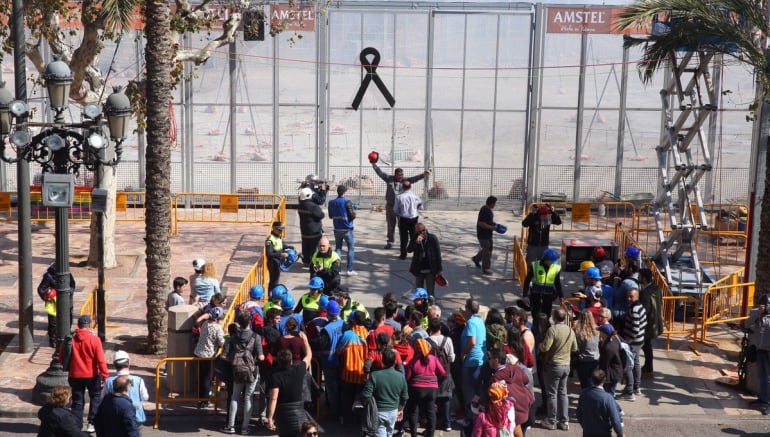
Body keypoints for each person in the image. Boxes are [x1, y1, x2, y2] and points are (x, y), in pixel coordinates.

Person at [61, 315, 109, 433]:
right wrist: (105, 374)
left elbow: (62, 357)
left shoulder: (70, 339)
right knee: (95, 397)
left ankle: (77, 425)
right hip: (92, 375)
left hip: (75, 375)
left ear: (78, 325)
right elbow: (100, 359)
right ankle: (92, 422)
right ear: (90, 325)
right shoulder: (94, 339)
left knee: (77, 401)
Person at [371, 161, 430, 250]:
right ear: (395, 175)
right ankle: (390, 242)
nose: (400, 177)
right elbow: (380, 173)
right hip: (390, 207)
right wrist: (374, 164)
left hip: (401, 208)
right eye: (399, 175)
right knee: (391, 225)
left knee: (402, 226)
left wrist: (423, 174)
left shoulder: (405, 180)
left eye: (401, 175)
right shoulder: (389, 179)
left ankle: (404, 244)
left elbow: (414, 179)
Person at [222, 311, 265, 435]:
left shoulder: (233, 337)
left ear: (238, 323)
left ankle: (231, 426)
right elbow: (261, 357)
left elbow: (224, 355)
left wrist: (235, 359)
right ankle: (245, 428)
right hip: (252, 371)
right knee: (248, 397)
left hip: (236, 371)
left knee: (235, 397)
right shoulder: (255, 337)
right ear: (249, 322)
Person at [539, 308, 577, 431]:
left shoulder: (552, 330)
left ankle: (552, 420)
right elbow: (575, 348)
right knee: (563, 393)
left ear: (554, 317)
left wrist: (540, 344)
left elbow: (545, 348)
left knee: (552, 394)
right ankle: (564, 421)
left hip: (554, 366)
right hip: (566, 365)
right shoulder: (570, 330)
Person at [361, 348, 409, 437]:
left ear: (382, 361)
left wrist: (369, 405)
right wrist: (401, 409)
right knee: (389, 433)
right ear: (395, 361)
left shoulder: (375, 375)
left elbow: (366, 395)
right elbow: (405, 396)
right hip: (393, 412)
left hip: (379, 412)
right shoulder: (400, 377)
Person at [266, 348, 313, 436]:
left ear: (278, 361)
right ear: (291, 360)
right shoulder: (299, 369)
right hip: (298, 411)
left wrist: (270, 417)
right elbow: (309, 355)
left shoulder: (275, 376)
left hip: (282, 413)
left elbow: (273, 398)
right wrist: (305, 339)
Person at [405, 338, 445, 437]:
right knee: (430, 412)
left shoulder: (414, 361)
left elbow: (408, 377)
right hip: (431, 390)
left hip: (416, 389)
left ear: (416, 349)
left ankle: (414, 434)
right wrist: (435, 381)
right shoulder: (433, 359)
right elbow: (443, 373)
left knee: (414, 411)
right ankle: (430, 434)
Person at [337, 310, 369, 425]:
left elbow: (339, 351)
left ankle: (347, 420)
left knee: (347, 398)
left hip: (348, 374)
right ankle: (359, 421)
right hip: (362, 375)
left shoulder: (347, 335)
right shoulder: (368, 334)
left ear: (354, 321)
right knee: (360, 399)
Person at [102, 351, 149, 425]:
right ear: (129, 364)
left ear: (114, 364)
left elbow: (103, 398)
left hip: (115, 416)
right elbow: (145, 397)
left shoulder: (108, 381)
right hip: (136, 416)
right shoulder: (139, 380)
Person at [459, 298, 487, 426]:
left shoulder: (470, 322)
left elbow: (473, 341)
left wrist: (463, 353)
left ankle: (470, 419)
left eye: (465, 307)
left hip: (471, 361)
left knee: (469, 391)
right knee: (478, 390)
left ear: (469, 309)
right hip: (480, 360)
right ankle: (478, 418)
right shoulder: (480, 320)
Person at [37, 263, 76, 348]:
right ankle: (53, 341)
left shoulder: (67, 273)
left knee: (68, 319)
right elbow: (40, 289)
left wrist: (70, 292)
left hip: (66, 301)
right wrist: (46, 297)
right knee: (53, 323)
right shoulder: (48, 276)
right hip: (53, 304)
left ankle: (66, 337)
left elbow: (72, 284)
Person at [193, 306, 225, 408]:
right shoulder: (217, 328)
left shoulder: (205, 324)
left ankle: (200, 398)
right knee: (206, 379)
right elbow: (222, 342)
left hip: (198, 353)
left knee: (201, 377)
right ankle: (205, 401)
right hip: (208, 356)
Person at [576, 369, 624, 437]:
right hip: (604, 433)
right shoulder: (608, 398)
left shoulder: (584, 394)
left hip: (588, 432)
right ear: (604, 380)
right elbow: (615, 420)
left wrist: (585, 426)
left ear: (592, 379)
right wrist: (620, 434)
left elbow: (579, 414)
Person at [522, 248, 563, 327]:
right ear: (546, 260)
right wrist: (525, 295)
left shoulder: (555, 267)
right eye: (551, 261)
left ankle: (545, 332)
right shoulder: (535, 266)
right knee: (536, 315)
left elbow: (557, 283)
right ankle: (535, 332)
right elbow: (527, 281)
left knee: (547, 316)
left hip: (548, 296)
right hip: (535, 295)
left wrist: (561, 296)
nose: (553, 263)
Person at [618, 288, 646, 401]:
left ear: (637, 296)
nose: (629, 299)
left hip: (633, 341)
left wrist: (628, 340)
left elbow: (635, 328)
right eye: (628, 296)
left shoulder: (634, 309)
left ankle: (629, 391)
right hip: (640, 340)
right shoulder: (641, 307)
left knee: (628, 365)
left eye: (631, 296)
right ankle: (636, 387)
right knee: (636, 363)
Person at [638, 268, 663, 377]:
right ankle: (648, 367)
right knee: (647, 346)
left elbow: (645, 310)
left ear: (643, 278)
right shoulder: (657, 289)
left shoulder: (645, 293)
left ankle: (649, 369)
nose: (638, 278)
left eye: (639, 276)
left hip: (648, 324)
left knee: (646, 346)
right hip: (656, 322)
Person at [407, 222, 443, 298]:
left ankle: (431, 306)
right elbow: (409, 249)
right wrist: (416, 242)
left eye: (423, 230)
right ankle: (420, 307)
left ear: (425, 229)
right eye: (419, 232)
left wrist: (439, 269)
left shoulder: (432, 238)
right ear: (417, 231)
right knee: (419, 291)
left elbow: (438, 254)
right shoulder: (415, 238)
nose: (422, 233)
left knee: (430, 291)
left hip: (430, 269)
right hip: (419, 269)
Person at [328, 184, 358, 276]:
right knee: (351, 249)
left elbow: (330, 216)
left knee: (338, 249)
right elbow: (352, 216)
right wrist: (355, 212)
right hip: (347, 229)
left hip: (337, 229)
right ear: (344, 192)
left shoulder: (331, 202)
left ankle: (337, 269)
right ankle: (349, 270)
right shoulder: (347, 202)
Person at [750, 293, 770, 415]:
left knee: (769, 378)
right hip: (760, 350)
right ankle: (763, 398)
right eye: (762, 304)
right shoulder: (757, 315)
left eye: (766, 304)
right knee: (762, 376)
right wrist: (758, 314)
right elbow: (747, 324)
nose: (764, 307)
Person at [393, 180, 423, 260]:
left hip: (403, 218)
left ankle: (403, 254)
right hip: (414, 218)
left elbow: (395, 210)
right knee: (414, 236)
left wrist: (401, 212)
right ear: (410, 187)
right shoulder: (415, 196)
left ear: (403, 187)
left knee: (403, 237)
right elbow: (420, 207)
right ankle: (414, 252)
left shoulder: (399, 197)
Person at [298, 186, 326, 266]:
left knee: (305, 246)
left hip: (304, 230)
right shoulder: (312, 206)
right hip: (314, 231)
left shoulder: (300, 205)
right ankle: (313, 263)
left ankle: (306, 261)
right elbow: (321, 215)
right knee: (314, 248)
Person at [573, 310, 600, 390]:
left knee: (584, 383)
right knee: (593, 382)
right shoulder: (597, 330)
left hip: (583, 360)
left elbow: (577, 347)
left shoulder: (579, 332)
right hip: (595, 359)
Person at [472, 196, 498, 275]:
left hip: (488, 233)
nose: (495, 205)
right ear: (491, 203)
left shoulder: (489, 210)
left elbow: (488, 221)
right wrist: (491, 227)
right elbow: (481, 223)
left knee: (488, 248)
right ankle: (486, 268)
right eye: (494, 203)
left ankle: (476, 259)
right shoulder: (484, 210)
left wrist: (495, 225)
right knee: (487, 249)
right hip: (483, 234)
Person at [597, 323, 623, 396]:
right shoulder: (614, 340)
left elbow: (604, 363)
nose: (599, 333)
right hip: (616, 372)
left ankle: (612, 407)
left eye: (600, 332)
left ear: (604, 334)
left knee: (609, 395)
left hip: (611, 375)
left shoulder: (608, 347)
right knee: (610, 393)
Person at [266, 222, 289, 292]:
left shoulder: (278, 236)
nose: (280, 232)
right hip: (273, 263)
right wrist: (281, 254)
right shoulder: (270, 239)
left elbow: (283, 246)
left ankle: (274, 295)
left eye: (281, 230)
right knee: (273, 281)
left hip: (278, 262)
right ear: (273, 228)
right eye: (279, 230)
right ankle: (271, 297)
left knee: (276, 280)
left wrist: (292, 248)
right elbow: (269, 254)